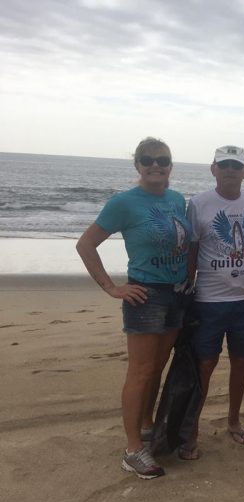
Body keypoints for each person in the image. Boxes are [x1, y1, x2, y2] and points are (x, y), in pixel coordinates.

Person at [76, 137, 191, 479]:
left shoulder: (176, 199)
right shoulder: (124, 202)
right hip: (146, 294)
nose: (155, 165)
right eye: (147, 159)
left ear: (171, 165)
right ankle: (131, 450)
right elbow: (86, 244)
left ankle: (145, 426)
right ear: (137, 165)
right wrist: (112, 288)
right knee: (140, 372)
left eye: (162, 159)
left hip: (177, 293)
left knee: (157, 367)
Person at [185, 145, 244, 459]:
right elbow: (191, 250)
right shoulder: (198, 204)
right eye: (225, 165)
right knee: (204, 365)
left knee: (241, 362)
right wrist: (186, 289)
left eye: (236, 166)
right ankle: (191, 427)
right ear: (213, 169)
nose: (231, 171)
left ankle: (234, 420)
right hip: (209, 300)